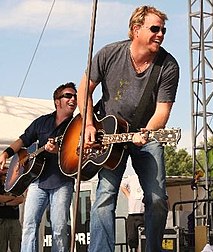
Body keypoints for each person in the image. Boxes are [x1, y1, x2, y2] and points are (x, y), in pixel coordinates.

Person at [77, 5, 179, 252]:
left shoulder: (168, 65)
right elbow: (84, 90)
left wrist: (146, 132)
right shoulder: (109, 53)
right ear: (136, 29)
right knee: (105, 195)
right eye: (154, 28)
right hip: (109, 134)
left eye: (163, 30)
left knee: (156, 199)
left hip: (146, 135)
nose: (161, 34)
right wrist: (89, 124)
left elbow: (162, 111)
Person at [0, 82, 77, 252]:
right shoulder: (42, 122)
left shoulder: (77, 126)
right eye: (68, 96)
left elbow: (77, 155)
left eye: (75, 96)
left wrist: (58, 151)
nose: (73, 99)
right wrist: (6, 154)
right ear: (57, 101)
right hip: (37, 182)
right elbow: (23, 139)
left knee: (59, 229)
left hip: (62, 182)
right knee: (29, 226)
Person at [0, 166, 24, 252]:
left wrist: (5, 203)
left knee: (17, 246)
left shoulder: (15, 185)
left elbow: (20, 199)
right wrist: (12, 198)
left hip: (14, 220)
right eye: (4, 174)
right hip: (1, 220)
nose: (6, 176)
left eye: (7, 174)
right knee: (1, 246)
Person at [121, 174, 145, 252]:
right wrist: (129, 196)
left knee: (144, 237)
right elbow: (122, 186)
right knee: (132, 238)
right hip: (132, 213)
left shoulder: (148, 177)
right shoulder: (132, 178)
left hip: (144, 213)